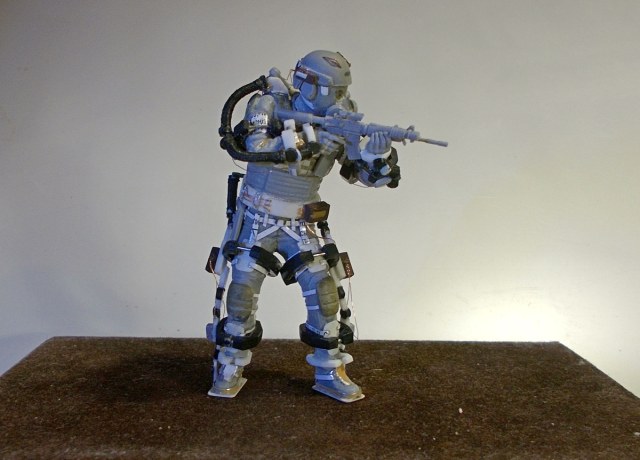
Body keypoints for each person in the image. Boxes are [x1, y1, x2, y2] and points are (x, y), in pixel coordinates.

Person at [208, 50, 400, 403]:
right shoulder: (269, 104)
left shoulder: (341, 116)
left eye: (342, 91)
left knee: (325, 293)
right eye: (331, 91)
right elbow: (255, 147)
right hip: (258, 216)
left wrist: (377, 156)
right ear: (307, 84)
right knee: (241, 294)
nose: (338, 99)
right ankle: (229, 363)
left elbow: (360, 175)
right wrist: (308, 142)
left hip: (303, 222)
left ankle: (329, 370)